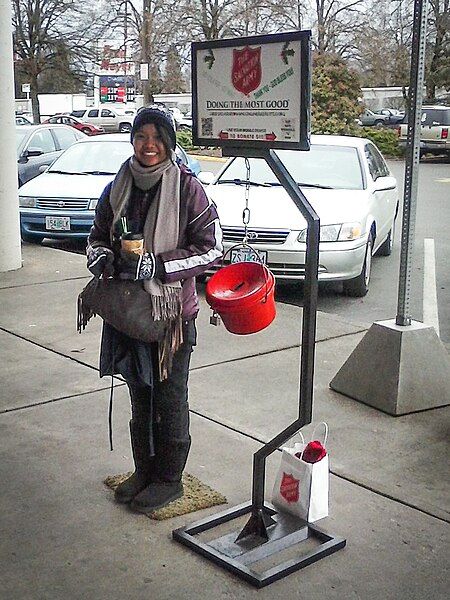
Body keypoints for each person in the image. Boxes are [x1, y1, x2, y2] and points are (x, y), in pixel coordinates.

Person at [86, 107, 223, 513]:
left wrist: (158, 266)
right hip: (128, 313)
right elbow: (96, 235)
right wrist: (101, 257)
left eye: (157, 137)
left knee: (170, 397)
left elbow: (211, 247)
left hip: (171, 318)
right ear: (132, 140)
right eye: (142, 136)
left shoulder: (187, 187)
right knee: (139, 393)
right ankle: (143, 471)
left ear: (169, 142)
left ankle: (169, 480)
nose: (149, 145)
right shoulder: (119, 185)